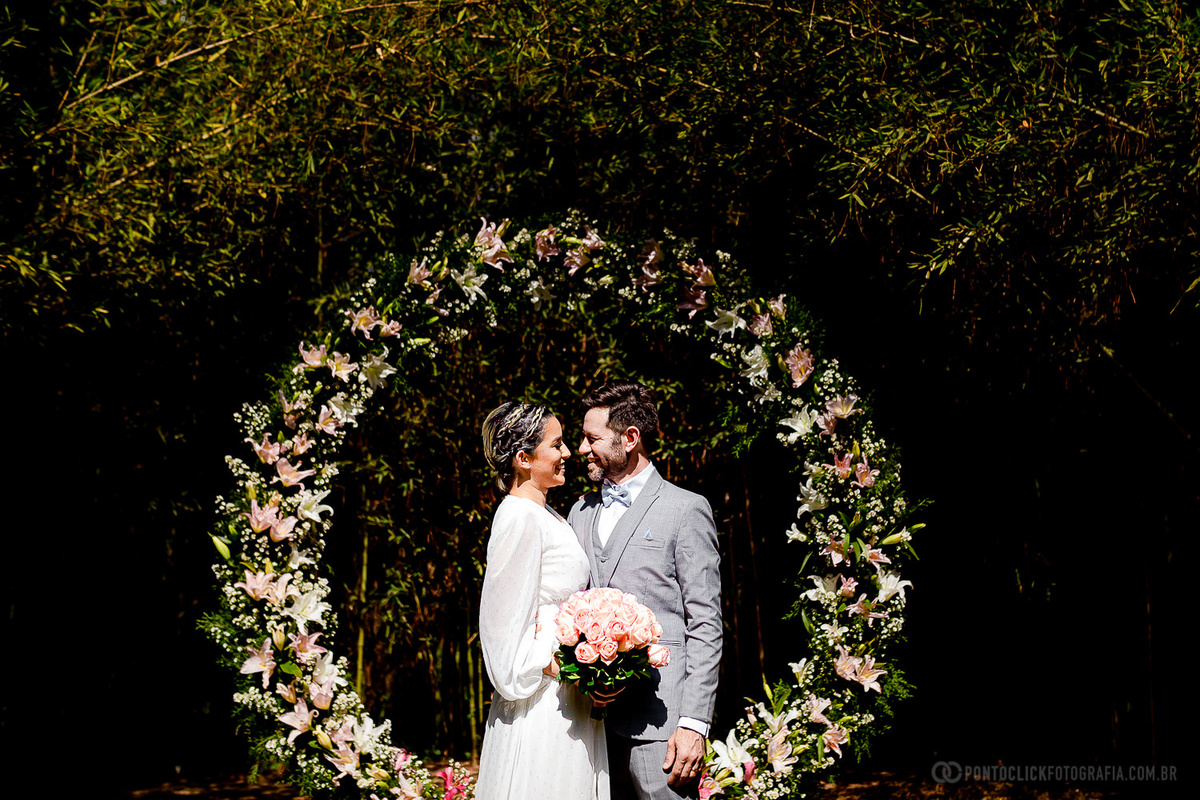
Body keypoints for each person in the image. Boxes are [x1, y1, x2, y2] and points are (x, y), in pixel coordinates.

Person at [567, 381, 722, 800]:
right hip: (589, 726)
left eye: (591, 438)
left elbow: (705, 624)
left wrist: (693, 724)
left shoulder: (686, 509)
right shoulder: (579, 511)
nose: (581, 449)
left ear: (630, 438)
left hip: (662, 725)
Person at [475, 401, 609, 800]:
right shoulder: (517, 517)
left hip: (567, 693)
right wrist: (556, 665)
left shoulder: (548, 513)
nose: (568, 453)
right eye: (557, 445)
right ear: (523, 458)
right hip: (542, 701)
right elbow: (501, 630)